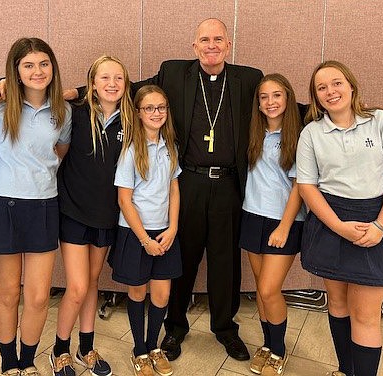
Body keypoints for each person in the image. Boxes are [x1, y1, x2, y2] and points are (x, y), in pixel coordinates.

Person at [132, 18, 263, 362]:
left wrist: (331, 110)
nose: (211, 45)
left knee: (225, 261)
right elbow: (125, 89)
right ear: (194, 46)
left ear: (228, 44)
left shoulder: (249, 78)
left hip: (229, 185)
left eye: (218, 39)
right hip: (187, 181)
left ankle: (225, 328)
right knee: (182, 257)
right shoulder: (173, 72)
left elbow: (282, 104)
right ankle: (174, 328)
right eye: (204, 40)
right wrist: (73, 92)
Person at [296, 60, 383, 376]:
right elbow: (307, 186)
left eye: (336, 83)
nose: (330, 91)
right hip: (330, 222)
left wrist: (380, 225)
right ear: (316, 97)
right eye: (321, 88)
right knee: (336, 305)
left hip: (374, 222)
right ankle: (344, 370)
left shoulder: (381, 121)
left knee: (365, 315)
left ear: (351, 85)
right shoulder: (311, 133)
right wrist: (337, 226)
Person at [0, 37, 72, 376]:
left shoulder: (63, 113)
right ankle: (9, 364)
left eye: (44, 64)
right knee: (7, 293)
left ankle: (28, 360)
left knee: (36, 297)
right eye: (28, 65)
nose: (37, 71)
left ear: (53, 68)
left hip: (44, 206)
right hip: (2, 206)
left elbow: (58, 154)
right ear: (15, 71)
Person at [49, 55, 134, 376]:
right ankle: (59, 350)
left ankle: (86, 347)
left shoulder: (131, 120)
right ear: (92, 85)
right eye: (104, 79)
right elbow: (59, 155)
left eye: (118, 79)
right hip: (72, 211)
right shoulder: (76, 113)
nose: (112, 84)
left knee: (93, 283)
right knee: (78, 286)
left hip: (107, 215)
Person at [110, 85, 181, 376]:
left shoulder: (170, 145)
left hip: (165, 232)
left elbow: (174, 190)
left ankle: (154, 346)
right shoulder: (130, 149)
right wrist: (145, 240)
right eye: (149, 108)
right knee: (138, 292)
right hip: (136, 234)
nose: (156, 113)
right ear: (138, 113)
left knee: (161, 295)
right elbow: (123, 200)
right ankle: (139, 350)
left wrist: (174, 227)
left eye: (161, 107)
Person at [240, 74, 305, 376]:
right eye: (264, 97)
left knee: (269, 290)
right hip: (253, 216)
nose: (270, 102)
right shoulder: (255, 133)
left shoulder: (300, 136)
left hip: (284, 221)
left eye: (277, 95)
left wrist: (284, 226)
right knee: (259, 287)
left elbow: (299, 187)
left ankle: (278, 351)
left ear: (288, 98)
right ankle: (267, 345)